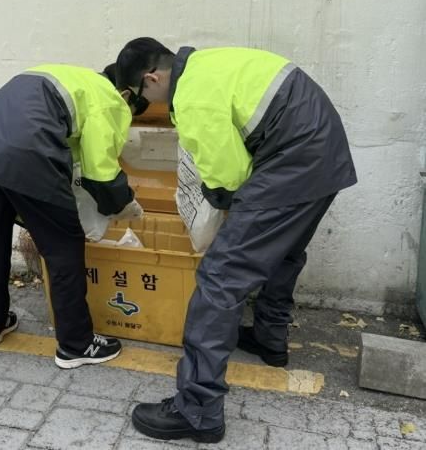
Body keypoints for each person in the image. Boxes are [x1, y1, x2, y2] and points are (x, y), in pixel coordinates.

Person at [115, 38, 357, 443]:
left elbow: (228, 174)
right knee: (283, 252)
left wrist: (221, 209)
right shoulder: (208, 65)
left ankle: (198, 410)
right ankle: (269, 338)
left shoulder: (191, 96)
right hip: (324, 155)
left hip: (294, 160)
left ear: (152, 78)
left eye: (141, 95)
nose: (147, 104)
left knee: (220, 278)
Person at [0, 62, 145, 369]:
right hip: (28, 156)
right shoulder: (108, 98)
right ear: (126, 93)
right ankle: (76, 344)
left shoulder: (71, 79)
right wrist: (123, 203)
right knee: (64, 245)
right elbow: (100, 170)